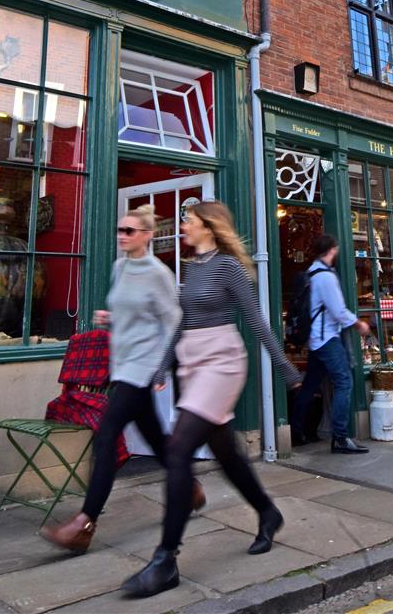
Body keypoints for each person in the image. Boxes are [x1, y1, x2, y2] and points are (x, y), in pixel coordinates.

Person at [121, 200, 302, 599]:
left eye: (187, 220)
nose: (182, 225)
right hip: (191, 361)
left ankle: (165, 559)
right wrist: (163, 365)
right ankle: (268, 512)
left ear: (209, 226)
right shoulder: (193, 267)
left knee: (179, 449)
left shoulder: (228, 268)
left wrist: (286, 369)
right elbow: (184, 320)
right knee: (226, 453)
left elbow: (256, 321)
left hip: (222, 362)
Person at [40, 205, 201, 554]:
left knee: (107, 435)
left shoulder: (158, 274)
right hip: (122, 365)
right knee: (157, 440)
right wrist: (110, 319)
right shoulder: (119, 267)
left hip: (142, 368)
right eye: (120, 230)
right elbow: (131, 312)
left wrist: (163, 366)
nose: (122, 235)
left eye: (129, 230)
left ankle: (85, 523)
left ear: (147, 235)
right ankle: (188, 487)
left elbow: (175, 321)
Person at [291, 234, 371, 453]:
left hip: (316, 340)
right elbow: (337, 310)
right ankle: (341, 438)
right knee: (344, 382)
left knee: (309, 386)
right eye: (336, 249)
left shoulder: (312, 272)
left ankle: (296, 431)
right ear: (332, 250)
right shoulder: (325, 277)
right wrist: (358, 324)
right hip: (327, 339)